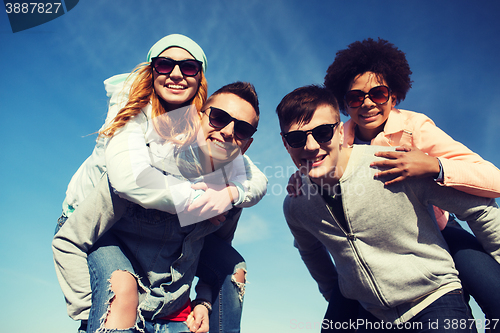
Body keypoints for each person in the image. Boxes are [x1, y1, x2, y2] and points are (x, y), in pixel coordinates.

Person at [53, 33, 266, 333]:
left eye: (242, 129)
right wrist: (92, 314)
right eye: (218, 118)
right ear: (201, 117)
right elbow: (126, 181)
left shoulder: (229, 183)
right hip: (91, 223)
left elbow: (253, 184)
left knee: (234, 267)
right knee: (121, 288)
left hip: (168, 300)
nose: (228, 132)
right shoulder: (142, 138)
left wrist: (233, 193)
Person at [288, 38, 500, 330]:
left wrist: (434, 166)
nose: (367, 104)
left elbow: (493, 180)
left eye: (378, 93)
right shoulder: (334, 135)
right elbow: (317, 160)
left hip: (436, 228)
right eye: (354, 98)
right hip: (379, 253)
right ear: (344, 105)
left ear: (394, 96)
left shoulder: (416, 127)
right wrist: (302, 174)